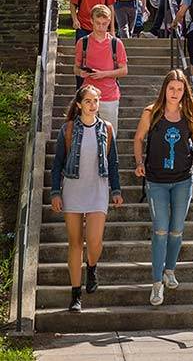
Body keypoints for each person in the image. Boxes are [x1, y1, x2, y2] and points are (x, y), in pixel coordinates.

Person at [133, 69, 193, 306]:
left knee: (176, 229)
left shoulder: (189, 114)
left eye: (180, 89)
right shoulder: (151, 112)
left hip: (182, 180)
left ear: (185, 91)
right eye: (171, 89)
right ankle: (156, 284)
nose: (175, 93)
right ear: (164, 89)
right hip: (156, 181)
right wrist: (138, 163)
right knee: (160, 230)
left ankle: (170, 269)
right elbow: (138, 139)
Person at [50, 85, 122, 312]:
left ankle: (92, 266)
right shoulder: (68, 129)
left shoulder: (107, 129)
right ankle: (75, 293)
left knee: (94, 241)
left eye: (96, 101)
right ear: (79, 104)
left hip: (98, 190)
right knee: (74, 243)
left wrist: (116, 190)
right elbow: (57, 164)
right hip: (73, 189)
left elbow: (114, 163)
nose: (93, 105)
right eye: (89, 101)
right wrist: (55, 192)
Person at [74, 5, 128, 131]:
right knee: (87, 135)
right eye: (98, 23)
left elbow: (124, 70)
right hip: (87, 97)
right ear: (91, 21)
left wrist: (103, 74)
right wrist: (80, 72)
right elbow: (75, 68)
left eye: (104, 24)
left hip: (109, 96)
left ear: (109, 22)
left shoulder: (116, 43)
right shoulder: (83, 43)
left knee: (109, 135)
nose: (101, 27)